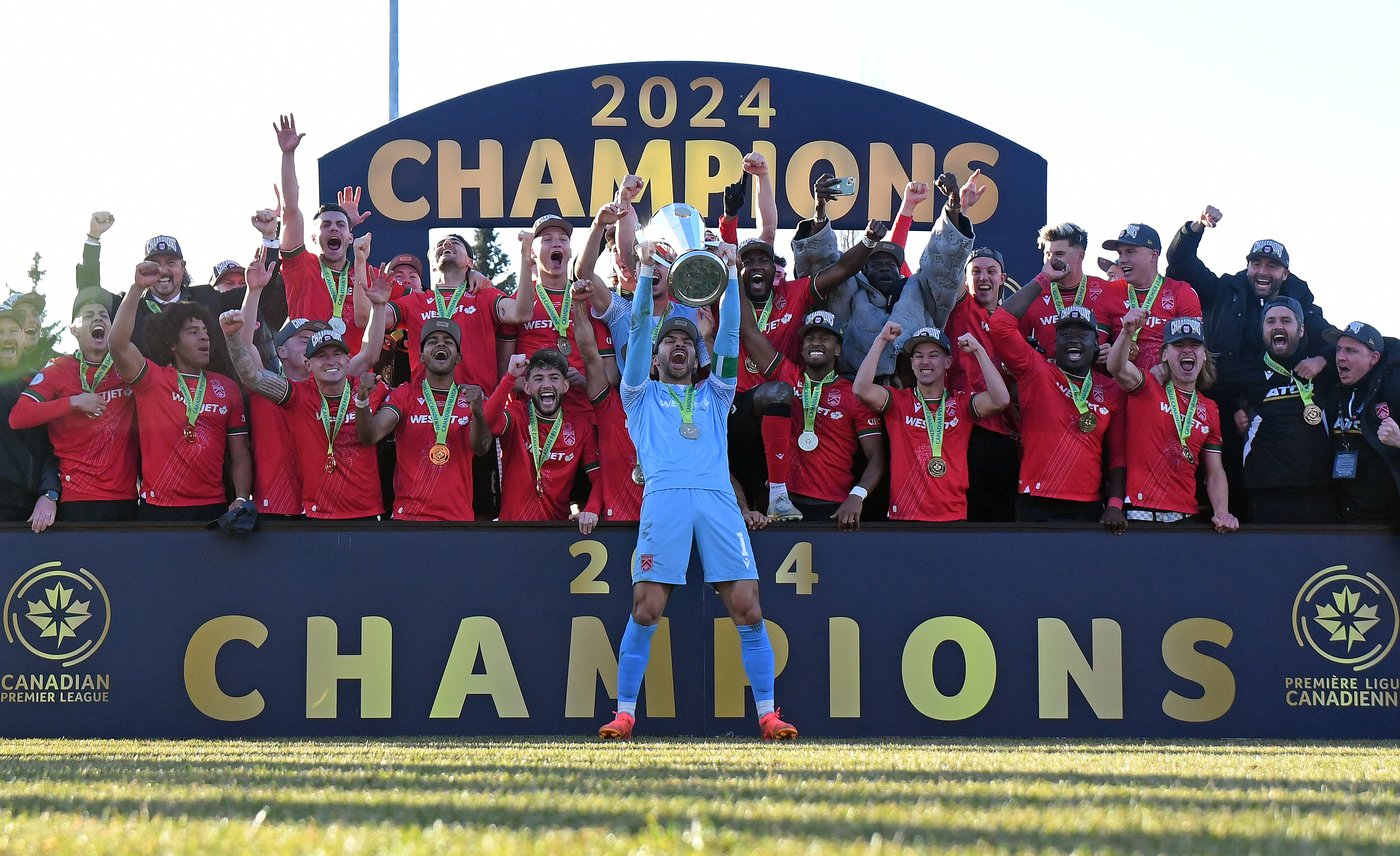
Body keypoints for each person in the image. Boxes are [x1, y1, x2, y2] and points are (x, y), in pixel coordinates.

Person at [598, 240, 797, 742]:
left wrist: (731, 277)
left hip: (716, 502)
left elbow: (729, 335)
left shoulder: (717, 393)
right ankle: (625, 713)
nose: (679, 346)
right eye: (671, 342)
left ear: (696, 352)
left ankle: (768, 716)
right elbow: (639, 329)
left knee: (749, 608)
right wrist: (644, 275)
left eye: (687, 341)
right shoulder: (638, 394)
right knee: (646, 608)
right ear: (658, 354)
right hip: (664, 500)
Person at [221, 262, 392, 521]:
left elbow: (368, 353)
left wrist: (379, 306)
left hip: (321, 504)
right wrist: (253, 291)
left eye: (320, 339)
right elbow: (245, 350)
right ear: (281, 351)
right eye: (305, 339)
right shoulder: (272, 386)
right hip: (277, 501)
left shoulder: (338, 381)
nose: (314, 343)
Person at [110, 263, 251, 521]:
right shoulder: (151, 378)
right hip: (159, 510)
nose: (204, 338)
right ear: (173, 343)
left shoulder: (227, 388)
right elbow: (117, 345)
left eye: (206, 332)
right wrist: (137, 289)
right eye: (193, 332)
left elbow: (240, 452)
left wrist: (241, 497)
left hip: (213, 508)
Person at [991, 266, 1127, 528]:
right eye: (1065, 334)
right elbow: (1000, 323)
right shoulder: (1037, 371)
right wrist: (1044, 278)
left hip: (1087, 506)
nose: (1073, 340)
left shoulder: (1112, 389)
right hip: (1036, 501)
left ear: (1097, 344)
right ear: (1055, 341)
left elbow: (1118, 455)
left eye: (1082, 334)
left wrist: (1114, 505)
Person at [739, 308, 886, 526]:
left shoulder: (855, 394)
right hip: (782, 504)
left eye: (825, 338)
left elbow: (877, 457)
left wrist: (857, 495)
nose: (816, 343)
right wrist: (735, 274)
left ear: (837, 349)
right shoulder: (786, 375)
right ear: (802, 347)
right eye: (810, 338)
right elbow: (749, 331)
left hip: (833, 507)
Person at [854, 321, 1009, 521]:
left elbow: (1001, 399)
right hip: (904, 516)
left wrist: (979, 350)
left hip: (952, 516)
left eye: (933, 355)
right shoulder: (899, 402)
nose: (925, 361)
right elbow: (861, 389)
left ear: (948, 362)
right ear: (911, 364)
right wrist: (881, 340)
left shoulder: (960, 404)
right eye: (918, 356)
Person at [9, 288, 139, 521]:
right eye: (88, 315)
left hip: (125, 499)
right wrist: (73, 402)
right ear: (74, 329)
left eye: (104, 315)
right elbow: (19, 416)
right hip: (76, 499)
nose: (98, 318)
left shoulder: (128, 367)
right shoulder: (58, 368)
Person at [1107, 313, 1237, 531]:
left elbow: (1214, 471)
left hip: (1186, 518)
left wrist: (1222, 511)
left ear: (1204, 355)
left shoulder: (1210, 408)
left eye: (1194, 345)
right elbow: (1117, 368)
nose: (1187, 350)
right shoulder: (1147, 387)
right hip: (1141, 513)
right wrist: (1126, 332)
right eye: (1178, 345)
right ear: (1165, 355)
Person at [357, 318, 491, 521]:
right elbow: (370, 435)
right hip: (409, 519)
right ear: (420, 357)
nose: (440, 344)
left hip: (457, 519)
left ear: (458, 358)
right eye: (432, 341)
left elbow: (481, 448)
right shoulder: (404, 395)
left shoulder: (470, 397)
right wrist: (362, 400)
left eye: (448, 341)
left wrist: (479, 413)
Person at [1228, 297, 1339, 523]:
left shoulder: (1324, 371)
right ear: (1262, 331)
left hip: (1318, 491)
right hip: (1265, 492)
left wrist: (1323, 359)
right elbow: (1212, 389)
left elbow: (1380, 351)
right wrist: (1234, 412)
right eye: (1270, 322)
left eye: (1286, 320)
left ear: (1301, 330)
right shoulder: (1246, 370)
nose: (1277, 326)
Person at [274, 114, 371, 353]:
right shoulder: (301, 266)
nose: (333, 228)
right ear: (313, 238)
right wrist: (288, 156)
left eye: (340, 225)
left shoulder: (366, 272)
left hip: (354, 379)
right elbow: (291, 210)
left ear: (351, 236)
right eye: (326, 225)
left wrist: (475, 278)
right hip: (308, 373)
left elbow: (417, 297)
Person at [483, 350, 601, 532]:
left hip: (555, 533)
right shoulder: (517, 414)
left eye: (554, 378)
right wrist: (510, 376)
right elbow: (488, 423)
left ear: (565, 386)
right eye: (538, 379)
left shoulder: (580, 425)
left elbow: (598, 477)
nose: (547, 385)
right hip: (512, 531)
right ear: (527, 388)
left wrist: (592, 508)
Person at [942, 247, 1021, 522]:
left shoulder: (1012, 322)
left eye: (990, 271)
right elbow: (949, 263)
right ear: (965, 279)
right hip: (965, 429)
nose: (983, 277)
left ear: (1003, 278)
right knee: (967, 513)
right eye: (975, 271)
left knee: (1003, 516)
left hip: (1005, 433)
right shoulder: (961, 306)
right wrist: (958, 211)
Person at [570, 279, 642, 524]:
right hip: (617, 525)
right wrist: (579, 307)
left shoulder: (670, 406)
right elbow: (590, 354)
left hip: (662, 525)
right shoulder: (608, 403)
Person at [1320, 321, 1400, 524]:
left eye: (1351, 350)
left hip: (1391, 519)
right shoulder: (1333, 390)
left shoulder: (1393, 388)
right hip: (1347, 516)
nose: (1340, 357)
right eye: (1338, 349)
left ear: (1373, 358)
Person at [1102, 224, 1202, 372]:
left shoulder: (1181, 292)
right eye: (1120, 253)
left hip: (1167, 385)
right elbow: (1095, 346)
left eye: (1130, 252)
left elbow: (1195, 350)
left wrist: (1165, 369)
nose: (1122, 260)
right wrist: (1111, 351)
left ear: (1153, 256)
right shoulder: (1109, 293)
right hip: (1121, 384)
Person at [1018, 223, 1125, 359]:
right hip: (1048, 378)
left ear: (1080, 256)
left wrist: (1115, 351)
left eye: (1059, 254)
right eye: (1047, 254)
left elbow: (1127, 339)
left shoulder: (1106, 290)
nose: (1051, 261)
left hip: (1095, 378)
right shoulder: (1033, 295)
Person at [0, 307, 60, 531]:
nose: (6, 337)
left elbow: (55, 447)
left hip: (35, 511)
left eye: (13, 331)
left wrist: (49, 493)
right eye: (0, 332)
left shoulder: (41, 383)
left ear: (24, 338)